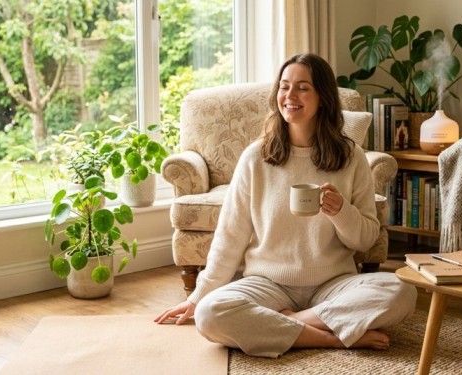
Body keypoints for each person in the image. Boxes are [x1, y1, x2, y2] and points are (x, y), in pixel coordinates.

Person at [154, 53, 417, 358]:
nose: (290, 96)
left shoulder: (351, 156)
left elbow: (365, 239)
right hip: (267, 284)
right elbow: (230, 235)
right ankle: (333, 336)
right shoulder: (256, 157)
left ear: (323, 97)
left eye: (303, 88)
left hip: (333, 284)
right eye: (284, 86)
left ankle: (291, 324)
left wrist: (340, 211)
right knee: (210, 314)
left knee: (402, 291)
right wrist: (199, 296)